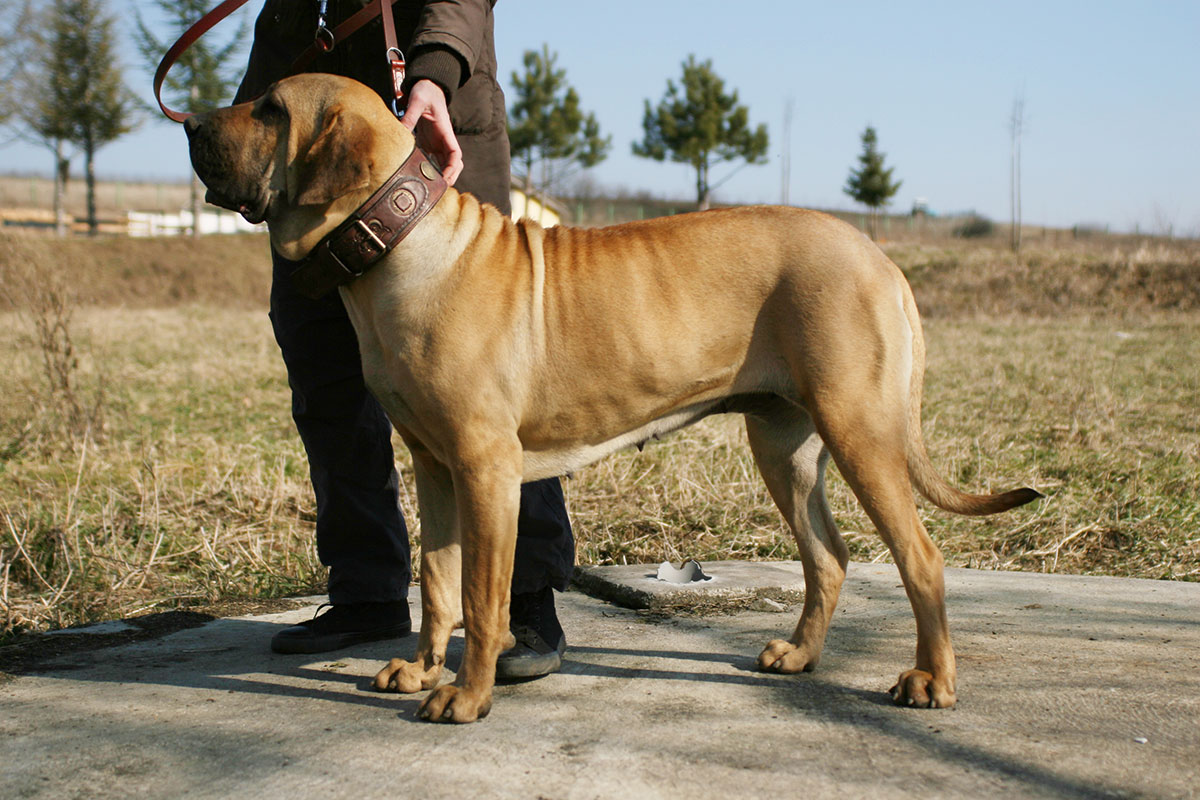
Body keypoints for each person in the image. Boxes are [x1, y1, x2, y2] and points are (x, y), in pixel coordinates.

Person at [234, 0, 575, 679]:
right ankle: (366, 591)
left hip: (432, 120)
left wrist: (434, 72)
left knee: (488, 394)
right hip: (312, 159)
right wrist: (247, 137)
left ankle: (525, 596)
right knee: (327, 376)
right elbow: (284, 21)